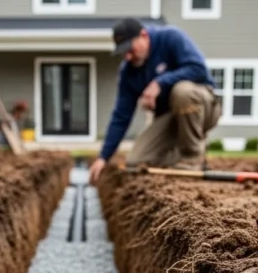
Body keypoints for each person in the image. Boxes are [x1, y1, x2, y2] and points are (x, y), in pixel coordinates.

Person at [89, 18, 220, 185]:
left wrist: (160, 82)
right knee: (135, 162)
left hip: (204, 108)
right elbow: (121, 116)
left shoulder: (171, 38)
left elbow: (198, 69)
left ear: (143, 35)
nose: (128, 56)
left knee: (183, 92)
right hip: (170, 117)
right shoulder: (128, 72)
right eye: (123, 52)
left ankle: (192, 157)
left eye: (130, 49)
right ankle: (178, 154)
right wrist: (103, 157)